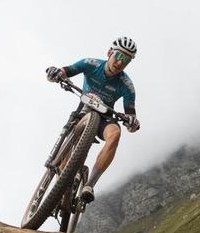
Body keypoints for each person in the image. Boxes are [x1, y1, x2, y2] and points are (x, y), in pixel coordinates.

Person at [45, 36, 140, 203]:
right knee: (64, 158)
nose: (119, 63)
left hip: (104, 118)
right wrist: (55, 73)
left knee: (115, 134)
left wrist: (132, 123)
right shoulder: (90, 64)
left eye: (125, 60)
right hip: (83, 111)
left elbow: (130, 115)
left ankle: (89, 185)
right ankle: (63, 184)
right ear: (110, 52)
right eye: (118, 56)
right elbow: (64, 71)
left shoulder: (127, 85)